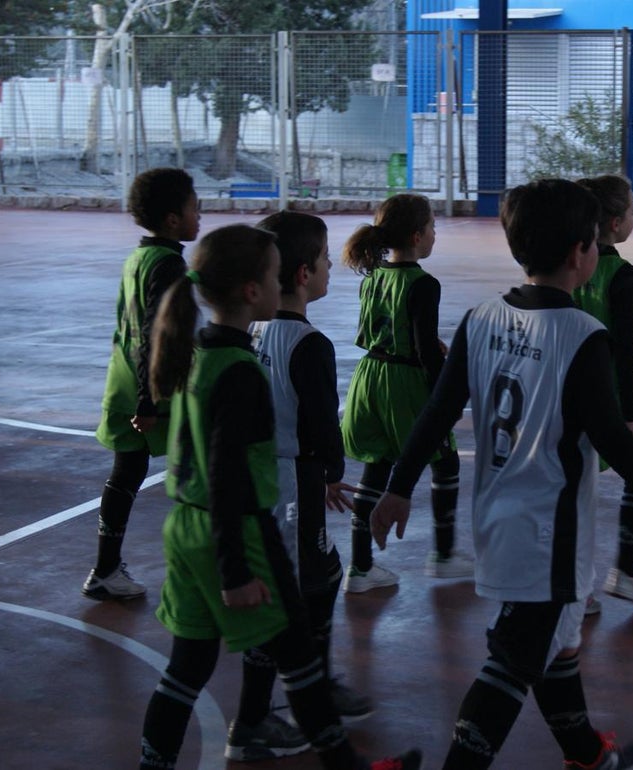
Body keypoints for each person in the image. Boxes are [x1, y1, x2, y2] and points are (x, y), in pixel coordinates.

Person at [370, 179, 633, 770]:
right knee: (513, 659)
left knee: (553, 641)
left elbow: (437, 412)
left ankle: (587, 755)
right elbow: (611, 441)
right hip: (551, 533)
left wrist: (398, 487)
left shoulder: (480, 319)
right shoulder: (581, 335)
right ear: (583, 251)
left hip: (497, 520)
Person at [138, 223, 420, 770]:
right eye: (271, 275)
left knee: (187, 669)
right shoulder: (240, 372)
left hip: (187, 529)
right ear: (252, 290)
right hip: (240, 529)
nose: (277, 283)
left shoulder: (199, 352)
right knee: (301, 662)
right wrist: (236, 568)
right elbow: (227, 475)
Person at [225, 212, 371, 763]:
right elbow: (320, 427)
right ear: (305, 273)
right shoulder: (309, 344)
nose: (334, 265)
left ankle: (310, 682)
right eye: (328, 258)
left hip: (268, 475)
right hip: (292, 483)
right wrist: (330, 472)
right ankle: (267, 711)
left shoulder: (251, 329)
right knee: (305, 585)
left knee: (315, 578)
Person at [339, 194, 472, 593]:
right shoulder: (423, 283)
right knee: (444, 461)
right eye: (433, 227)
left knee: (375, 467)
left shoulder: (375, 274)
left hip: (369, 378)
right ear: (417, 235)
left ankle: (360, 567)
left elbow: (384, 332)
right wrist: (443, 393)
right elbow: (423, 350)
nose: (435, 235)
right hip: (404, 383)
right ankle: (444, 555)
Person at [84, 168, 199, 601]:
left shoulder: (139, 256)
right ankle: (205, 566)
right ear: (173, 219)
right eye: (194, 207)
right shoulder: (169, 264)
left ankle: (106, 567)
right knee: (198, 467)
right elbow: (156, 330)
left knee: (126, 473)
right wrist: (150, 400)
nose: (199, 215)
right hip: (153, 388)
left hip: (122, 378)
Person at [573, 174, 633, 610]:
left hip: (566, 392)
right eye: (631, 210)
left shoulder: (567, 263)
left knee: (573, 487)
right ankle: (624, 569)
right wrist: (629, 411)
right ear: (612, 222)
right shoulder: (623, 275)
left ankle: (577, 585)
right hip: (608, 393)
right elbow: (625, 349)